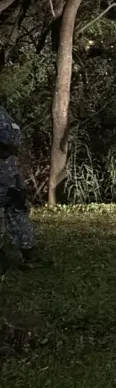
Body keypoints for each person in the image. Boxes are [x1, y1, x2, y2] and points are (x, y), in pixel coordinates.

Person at [0, 105, 50, 269]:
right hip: (7, 171)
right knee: (15, 209)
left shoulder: (3, 113)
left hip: (8, 172)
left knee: (16, 208)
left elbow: (13, 139)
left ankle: (29, 254)